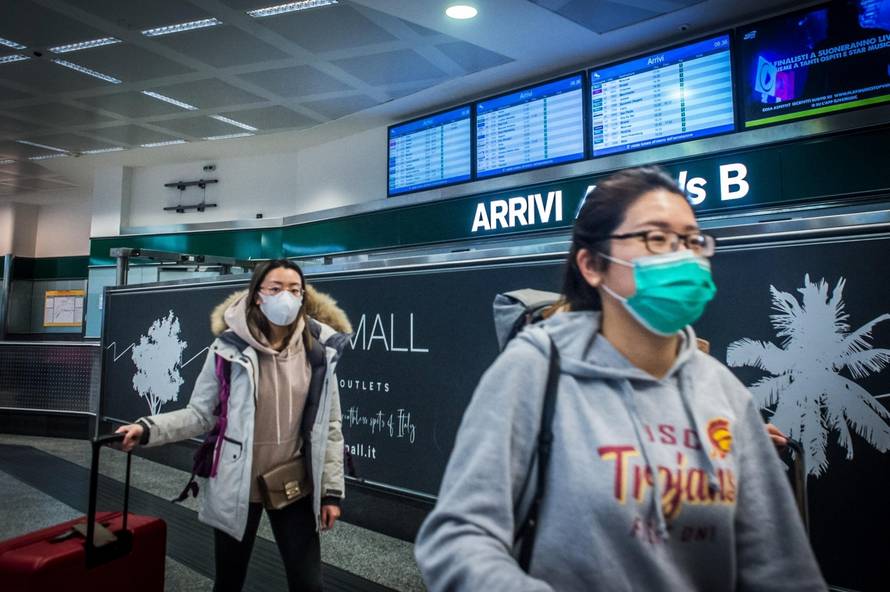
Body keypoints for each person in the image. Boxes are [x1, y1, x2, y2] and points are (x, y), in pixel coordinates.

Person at [414, 167, 825, 591]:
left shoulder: (724, 393)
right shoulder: (534, 371)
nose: (681, 256)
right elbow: (457, 539)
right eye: (656, 238)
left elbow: (780, 568)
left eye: (690, 240)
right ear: (592, 265)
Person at [116, 259, 351, 592]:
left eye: (295, 290)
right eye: (276, 288)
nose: (286, 296)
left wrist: (331, 493)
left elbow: (330, 426)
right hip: (237, 481)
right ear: (257, 295)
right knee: (229, 581)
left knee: (308, 583)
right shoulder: (229, 349)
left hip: (295, 481)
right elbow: (199, 414)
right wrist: (147, 429)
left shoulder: (319, 352)